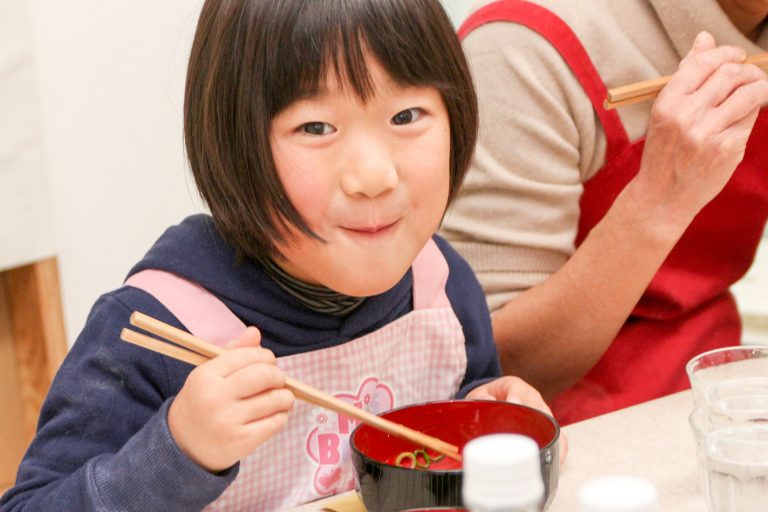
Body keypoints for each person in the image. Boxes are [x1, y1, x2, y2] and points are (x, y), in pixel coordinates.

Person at [0, 1, 554, 511]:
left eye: (406, 116)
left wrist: (481, 411)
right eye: (316, 127)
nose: (374, 177)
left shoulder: (439, 284)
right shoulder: (157, 326)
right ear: (233, 146)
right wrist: (180, 449)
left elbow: (453, 408)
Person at [441, 0, 768, 425]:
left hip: (721, 398)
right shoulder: (523, 47)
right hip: (562, 440)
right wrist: (660, 199)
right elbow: (492, 365)